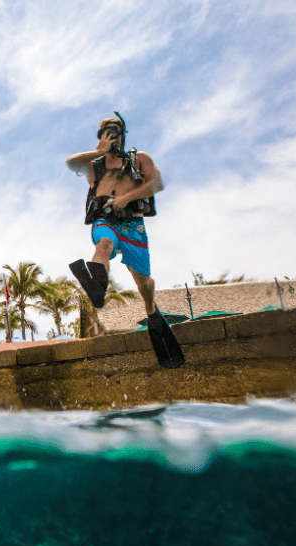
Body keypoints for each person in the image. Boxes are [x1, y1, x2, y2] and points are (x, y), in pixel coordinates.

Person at [65, 115, 183, 367]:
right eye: (107, 133)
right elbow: (71, 163)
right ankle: (98, 288)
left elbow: (158, 183)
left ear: (124, 135)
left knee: (144, 283)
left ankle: (151, 311)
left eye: (116, 132)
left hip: (133, 227)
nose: (113, 136)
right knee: (104, 245)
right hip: (105, 221)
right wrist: (101, 152)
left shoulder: (139, 159)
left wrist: (128, 197)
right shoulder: (95, 165)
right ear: (101, 138)